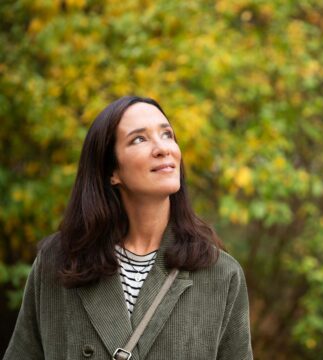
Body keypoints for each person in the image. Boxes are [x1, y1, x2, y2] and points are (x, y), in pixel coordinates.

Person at [4, 96, 253, 360]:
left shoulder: (220, 274)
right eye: (139, 139)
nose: (162, 148)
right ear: (112, 171)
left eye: (167, 134)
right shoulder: (60, 262)